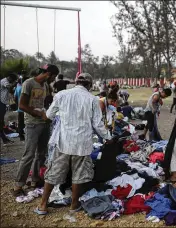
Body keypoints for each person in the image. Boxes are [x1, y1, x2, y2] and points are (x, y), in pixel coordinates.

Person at [34, 73, 112, 215]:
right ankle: (74, 205)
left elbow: (49, 115)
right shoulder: (92, 99)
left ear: (76, 82)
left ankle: (43, 205)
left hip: (63, 142)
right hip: (82, 144)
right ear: (89, 85)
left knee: (54, 173)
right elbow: (98, 124)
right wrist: (108, 136)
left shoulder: (61, 95)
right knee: (79, 175)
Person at [12, 64, 59, 196]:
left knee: (41, 154)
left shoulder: (45, 86)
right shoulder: (29, 83)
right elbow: (21, 105)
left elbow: (47, 103)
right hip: (32, 124)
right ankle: (18, 185)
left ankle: (35, 179)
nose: (53, 80)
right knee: (29, 155)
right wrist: (39, 114)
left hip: (44, 123)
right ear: (49, 74)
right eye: (53, 77)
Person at [0, 72, 18, 145]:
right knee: (1, 121)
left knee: (1, 121)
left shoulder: (6, 81)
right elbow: (9, 87)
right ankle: (4, 139)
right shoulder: (4, 81)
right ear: (10, 78)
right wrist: (15, 83)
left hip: (3, 103)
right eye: (12, 80)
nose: (12, 81)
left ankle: (4, 139)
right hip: (1, 103)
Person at [14, 76, 28, 141]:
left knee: (20, 122)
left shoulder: (18, 88)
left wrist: (18, 104)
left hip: (20, 108)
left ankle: (21, 136)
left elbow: (15, 98)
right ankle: (27, 135)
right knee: (27, 122)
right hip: (28, 109)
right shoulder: (27, 88)